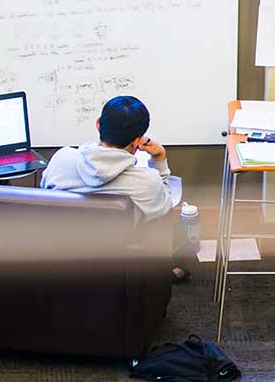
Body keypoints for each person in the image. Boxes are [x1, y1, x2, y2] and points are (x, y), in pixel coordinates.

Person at [41, 94, 190, 281]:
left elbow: (45, 194)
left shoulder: (61, 160)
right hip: (118, 276)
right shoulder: (147, 182)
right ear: (137, 141)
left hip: (60, 267)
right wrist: (159, 160)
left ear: (98, 124)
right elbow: (164, 203)